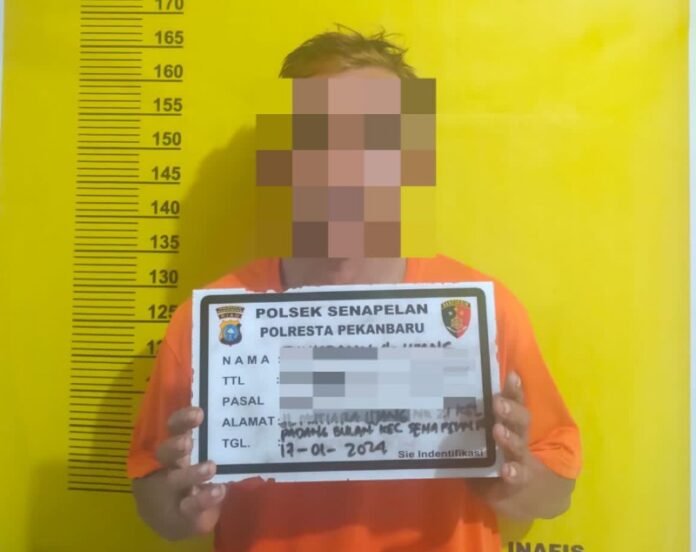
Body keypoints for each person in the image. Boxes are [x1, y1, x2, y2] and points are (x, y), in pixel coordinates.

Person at [128, 27, 582, 552]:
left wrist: (515, 480)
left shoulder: (484, 311)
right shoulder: (209, 321)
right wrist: (182, 504)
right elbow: (153, 492)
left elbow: (558, 488)